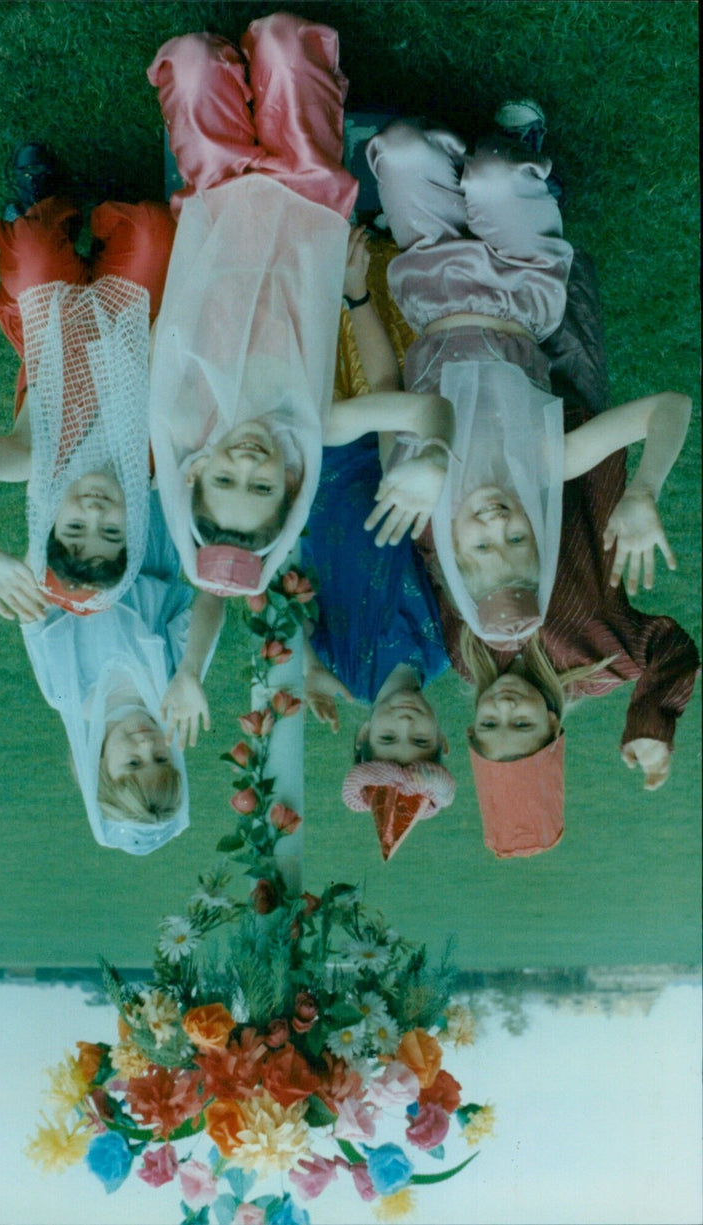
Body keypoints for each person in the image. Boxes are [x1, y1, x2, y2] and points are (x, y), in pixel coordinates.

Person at [344, 191, 698, 855]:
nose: (505, 708)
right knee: (555, 290)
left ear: (471, 728)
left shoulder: (464, 651)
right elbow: (673, 650)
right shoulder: (602, 659)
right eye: (522, 725)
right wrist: (651, 721)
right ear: (552, 730)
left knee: (468, 289)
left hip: (472, 417)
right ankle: (523, 196)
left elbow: (438, 547)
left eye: (490, 725)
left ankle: (452, 217)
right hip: (567, 425)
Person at [362, 110, 692, 655]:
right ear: (538, 531)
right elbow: (670, 406)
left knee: (397, 148)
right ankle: (515, 161)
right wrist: (644, 489)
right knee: (496, 172)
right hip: (521, 287)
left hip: (430, 281)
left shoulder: (418, 476)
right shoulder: (549, 458)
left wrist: (356, 295)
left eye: (482, 545)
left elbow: (381, 380)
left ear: (451, 546)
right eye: (517, 540)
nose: (495, 524)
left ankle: (466, 186)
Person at [146, 13, 439, 597]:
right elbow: (424, 412)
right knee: (283, 41)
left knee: (194, 58)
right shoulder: (320, 426)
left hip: (219, 202)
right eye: (262, 487)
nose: (249, 464)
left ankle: (227, 75)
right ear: (289, 483)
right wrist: (432, 456)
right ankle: (281, 76)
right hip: (309, 205)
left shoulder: (177, 420)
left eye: (227, 477)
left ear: (195, 471)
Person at [0, 144, 175, 618]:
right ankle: (113, 222)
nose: (96, 513)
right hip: (130, 321)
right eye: (110, 533)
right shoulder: (159, 469)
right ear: (137, 528)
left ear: (51, 519)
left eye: (75, 527)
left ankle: (45, 205)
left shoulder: (34, 458)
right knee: (155, 231)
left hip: (54, 321)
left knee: (32, 250)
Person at [302, 228, 456, 861]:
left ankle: (333, 273)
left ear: (362, 734)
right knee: (384, 354)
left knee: (305, 309)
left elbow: (277, 622)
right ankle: (359, 282)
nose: (404, 731)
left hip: (308, 465)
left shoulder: (341, 668)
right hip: (385, 441)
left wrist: (305, 668)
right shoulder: (448, 649)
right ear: (441, 740)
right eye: (419, 747)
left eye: (386, 743)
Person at [22, 488, 223, 853]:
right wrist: (191, 670)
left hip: (79, 535)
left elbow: (33, 600)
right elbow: (211, 597)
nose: (147, 744)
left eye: (133, 762)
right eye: (161, 758)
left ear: (98, 765)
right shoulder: (175, 692)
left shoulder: (66, 691)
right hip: (152, 530)